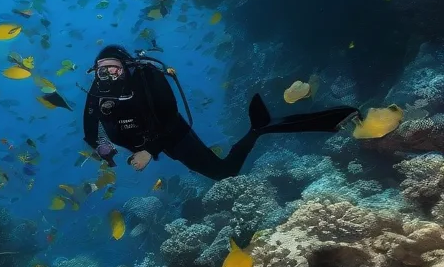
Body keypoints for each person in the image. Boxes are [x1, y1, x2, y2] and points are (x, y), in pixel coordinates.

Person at [82, 45, 358, 180]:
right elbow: (90, 125)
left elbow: (169, 114)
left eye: (113, 68)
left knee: (224, 173)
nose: (107, 74)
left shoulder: (147, 77)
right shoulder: (98, 89)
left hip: (170, 135)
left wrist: (148, 151)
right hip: (141, 144)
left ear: (126, 66)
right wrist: (102, 148)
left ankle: (260, 128)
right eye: (101, 69)